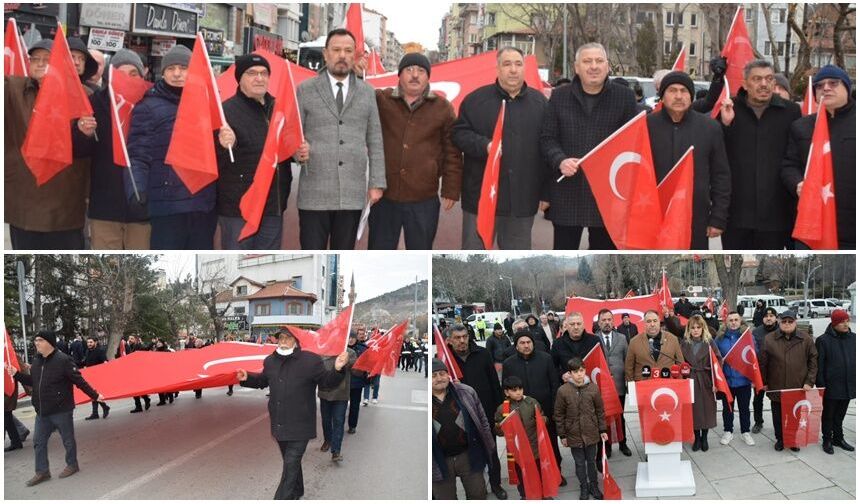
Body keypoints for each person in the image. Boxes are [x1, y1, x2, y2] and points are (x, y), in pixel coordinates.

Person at [294, 28, 386, 250]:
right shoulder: (305, 90)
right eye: (336, 50)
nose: (342, 55)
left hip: (351, 194)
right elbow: (293, 134)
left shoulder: (367, 92)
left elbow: (375, 140)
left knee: (343, 254)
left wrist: (377, 183)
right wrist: (298, 153)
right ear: (325, 54)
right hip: (314, 192)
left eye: (348, 50)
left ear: (355, 55)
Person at [541, 42, 637, 250]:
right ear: (576, 67)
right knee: (564, 252)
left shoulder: (625, 97)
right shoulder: (560, 96)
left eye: (599, 61)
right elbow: (547, 138)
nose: (594, 66)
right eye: (587, 61)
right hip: (568, 190)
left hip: (607, 192)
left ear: (607, 66)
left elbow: (633, 144)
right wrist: (560, 160)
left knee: (604, 256)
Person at [452, 46, 548, 250]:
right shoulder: (475, 100)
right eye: (507, 64)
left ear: (524, 68)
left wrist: (546, 193)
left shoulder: (540, 103)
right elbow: (459, 134)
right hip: (480, 197)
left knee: (516, 258)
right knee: (473, 256)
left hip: (521, 200)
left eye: (518, 64)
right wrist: (484, 145)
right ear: (497, 68)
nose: (513, 70)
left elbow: (548, 147)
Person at [236, 329, 348, 499]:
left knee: (290, 464)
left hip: (301, 424)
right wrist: (247, 378)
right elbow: (262, 381)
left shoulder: (310, 360)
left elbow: (326, 382)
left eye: (288, 338)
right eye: (280, 338)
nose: (283, 341)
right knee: (291, 463)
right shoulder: (270, 361)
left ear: (296, 341)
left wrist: (337, 369)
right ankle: (298, 490)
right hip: (279, 424)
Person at [125, 44, 218, 249]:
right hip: (167, 205)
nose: (177, 74)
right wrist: (136, 190)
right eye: (171, 68)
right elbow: (138, 155)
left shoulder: (209, 104)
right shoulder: (147, 107)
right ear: (163, 72)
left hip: (203, 202)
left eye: (183, 68)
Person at [5, 39, 90, 249]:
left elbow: (88, 149)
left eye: (47, 59)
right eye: (36, 59)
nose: (41, 63)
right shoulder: (13, 89)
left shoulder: (82, 95)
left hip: (65, 202)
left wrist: (85, 133)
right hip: (24, 200)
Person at [371, 52, 461, 249]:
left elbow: (452, 152)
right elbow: (356, 94)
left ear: (428, 77)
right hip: (385, 195)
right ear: (399, 75)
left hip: (424, 198)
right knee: (379, 249)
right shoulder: (382, 100)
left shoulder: (442, 107)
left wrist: (451, 188)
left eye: (421, 71)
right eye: (409, 70)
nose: (414, 75)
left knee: (421, 250)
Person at [718, 60, 801, 249]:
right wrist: (725, 125)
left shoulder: (791, 111)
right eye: (757, 79)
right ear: (745, 84)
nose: (764, 84)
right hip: (737, 214)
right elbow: (718, 153)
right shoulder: (729, 109)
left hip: (777, 215)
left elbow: (796, 157)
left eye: (769, 79)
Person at [73, 49, 151, 249]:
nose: (127, 79)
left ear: (143, 76)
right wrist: (83, 133)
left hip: (142, 206)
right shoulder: (94, 103)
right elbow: (79, 152)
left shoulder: (151, 104)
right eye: (121, 74)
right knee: (107, 262)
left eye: (133, 74)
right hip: (105, 206)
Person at [646, 70, 731, 249]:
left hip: (696, 217)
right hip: (654, 214)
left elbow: (721, 176)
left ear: (691, 96)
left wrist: (718, 217)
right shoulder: (646, 126)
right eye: (672, 90)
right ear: (662, 96)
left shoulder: (710, 127)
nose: (678, 96)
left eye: (684, 91)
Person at [7, 331, 104, 486]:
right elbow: (33, 381)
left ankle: (72, 464)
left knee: (67, 440)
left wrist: (95, 395)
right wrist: (16, 374)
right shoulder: (37, 361)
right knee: (38, 442)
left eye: (40, 340)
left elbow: (79, 381)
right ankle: (42, 472)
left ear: (49, 342)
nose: (36, 343)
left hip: (61, 410)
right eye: (36, 340)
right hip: (42, 411)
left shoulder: (64, 360)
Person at [215, 53, 291, 250]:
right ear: (239, 78)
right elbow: (212, 160)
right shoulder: (225, 112)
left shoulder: (279, 108)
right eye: (252, 73)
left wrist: (298, 151)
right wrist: (224, 145)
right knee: (237, 258)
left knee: (269, 259)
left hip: (273, 205)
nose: (259, 78)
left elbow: (286, 149)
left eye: (264, 73)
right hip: (239, 208)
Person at [782, 64, 855, 250]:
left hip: (851, 226)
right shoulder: (801, 126)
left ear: (847, 88)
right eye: (820, 85)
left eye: (833, 83)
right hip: (812, 226)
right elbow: (789, 165)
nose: (826, 88)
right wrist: (797, 183)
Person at [445, 324, 508, 499]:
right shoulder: (446, 359)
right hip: (461, 415)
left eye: (464, 336)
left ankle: (496, 484)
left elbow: (495, 383)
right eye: (457, 338)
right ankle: (477, 487)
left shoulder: (483, 354)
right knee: (471, 453)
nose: (462, 340)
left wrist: (499, 412)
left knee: (491, 450)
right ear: (449, 340)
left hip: (485, 412)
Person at [503, 330, 564, 481]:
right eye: (522, 343)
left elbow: (554, 384)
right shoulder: (509, 363)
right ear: (516, 346)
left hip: (545, 411)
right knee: (528, 446)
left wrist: (554, 408)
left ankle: (556, 473)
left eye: (528, 342)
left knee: (551, 444)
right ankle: (533, 476)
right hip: (521, 413)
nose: (526, 346)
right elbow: (506, 389)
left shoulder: (546, 358)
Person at [431, 359, 494, 500]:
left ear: (448, 374)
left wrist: (489, 446)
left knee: (478, 494)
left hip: (469, 455)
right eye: (433, 376)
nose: (439, 378)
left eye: (442, 374)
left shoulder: (465, 392)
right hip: (439, 460)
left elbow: (483, 421)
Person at [760, 310, 818, 452]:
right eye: (784, 321)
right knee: (778, 416)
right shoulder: (769, 339)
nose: (787, 324)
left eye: (790, 321)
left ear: (795, 322)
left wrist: (809, 381)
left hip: (797, 386)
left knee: (794, 415)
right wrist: (764, 382)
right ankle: (780, 439)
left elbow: (813, 361)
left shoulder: (806, 339)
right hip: (777, 385)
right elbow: (763, 363)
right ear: (779, 322)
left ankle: (792, 440)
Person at [554, 357, 607, 500]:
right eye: (575, 372)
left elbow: (600, 410)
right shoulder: (563, 391)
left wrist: (602, 429)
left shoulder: (593, 388)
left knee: (591, 461)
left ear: (585, 371)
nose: (579, 374)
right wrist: (562, 435)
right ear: (570, 373)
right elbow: (559, 414)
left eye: (581, 371)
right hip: (573, 434)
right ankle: (583, 486)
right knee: (579, 463)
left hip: (591, 431)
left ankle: (594, 485)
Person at [493, 375, 548, 500]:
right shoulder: (502, 409)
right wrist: (498, 427)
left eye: (520, 389)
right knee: (522, 475)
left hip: (534, 446)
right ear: (506, 392)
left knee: (538, 471)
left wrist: (543, 420)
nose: (518, 392)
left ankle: (542, 494)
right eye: (514, 390)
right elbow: (499, 432)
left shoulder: (532, 402)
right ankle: (524, 495)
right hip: (518, 450)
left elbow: (543, 417)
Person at [815, 309, 855, 454]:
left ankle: (838, 438)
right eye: (841, 322)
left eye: (847, 321)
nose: (845, 324)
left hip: (848, 384)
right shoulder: (823, 340)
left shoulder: (854, 338)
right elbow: (819, 365)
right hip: (831, 386)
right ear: (834, 323)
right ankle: (827, 439)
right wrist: (821, 386)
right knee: (828, 415)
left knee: (840, 414)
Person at [713, 311, 755, 446]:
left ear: (740, 321)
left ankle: (745, 431)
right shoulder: (720, 339)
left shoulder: (747, 336)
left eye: (736, 320)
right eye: (730, 320)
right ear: (726, 322)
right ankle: (728, 431)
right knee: (727, 408)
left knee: (744, 408)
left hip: (743, 380)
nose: (733, 323)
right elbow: (714, 357)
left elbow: (754, 354)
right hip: (727, 381)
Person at [594, 308, 631, 458]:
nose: (607, 322)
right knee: (604, 417)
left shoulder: (621, 338)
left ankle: (623, 443)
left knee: (620, 416)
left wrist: (628, 381)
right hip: (601, 386)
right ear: (599, 322)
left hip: (618, 384)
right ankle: (607, 446)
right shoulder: (593, 339)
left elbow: (627, 359)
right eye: (603, 320)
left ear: (613, 321)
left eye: (609, 319)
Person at [680, 314, 720, 452]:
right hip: (690, 380)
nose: (696, 330)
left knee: (706, 409)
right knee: (694, 410)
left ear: (703, 328)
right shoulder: (684, 344)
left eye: (698, 327)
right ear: (689, 329)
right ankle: (697, 437)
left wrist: (716, 382)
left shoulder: (709, 343)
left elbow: (718, 361)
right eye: (693, 328)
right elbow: (679, 362)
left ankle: (705, 437)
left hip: (706, 379)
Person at [318, 334, 357, 461]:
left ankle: (336, 450)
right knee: (326, 420)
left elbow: (355, 370)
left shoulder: (350, 352)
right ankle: (327, 440)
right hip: (325, 392)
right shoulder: (323, 351)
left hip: (341, 394)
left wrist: (347, 361)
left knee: (339, 421)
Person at [624, 310, 684, 382]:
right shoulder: (634, 342)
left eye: (655, 321)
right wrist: (632, 386)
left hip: (668, 385)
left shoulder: (673, 339)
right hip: (643, 386)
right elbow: (628, 368)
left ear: (659, 322)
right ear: (644, 323)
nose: (652, 324)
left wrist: (680, 383)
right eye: (649, 321)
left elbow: (680, 363)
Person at [751, 307, 778, 433]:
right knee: (757, 400)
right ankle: (758, 422)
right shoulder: (756, 332)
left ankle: (779, 423)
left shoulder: (781, 331)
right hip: (760, 372)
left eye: (771, 316)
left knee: (777, 400)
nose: (768, 318)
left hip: (776, 372)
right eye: (766, 316)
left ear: (776, 318)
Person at [550, 312, 600, 379]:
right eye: (572, 324)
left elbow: (602, 364)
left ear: (583, 325)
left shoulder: (595, 341)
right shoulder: (557, 344)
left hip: (591, 382)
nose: (576, 327)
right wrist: (562, 375)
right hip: (568, 384)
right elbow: (553, 367)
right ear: (567, 326)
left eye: (578, 324)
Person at [5, 351, 30, 452]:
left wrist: (30, 389)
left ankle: (16, 440)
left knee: (5, 416)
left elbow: (22, 370)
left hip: (8, 390)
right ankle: (17, 439)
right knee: (7, 417)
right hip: (5, 390)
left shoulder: (9, 353)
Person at [81, 337, 110, 420]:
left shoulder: (100, 351)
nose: (89, 344)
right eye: (88, 342)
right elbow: (86, 362)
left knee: (94, 394)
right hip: (90, 376)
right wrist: (84, 366)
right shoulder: (87, 351)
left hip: (98, 376)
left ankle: (98, 411)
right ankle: (99, 410)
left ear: (95, 342)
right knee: (93, 394)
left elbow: (105, 362)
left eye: (91, 342)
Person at [347, 330, 368, 432]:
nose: (350, 340)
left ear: (356, 338)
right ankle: (339, 424)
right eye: (349, 338)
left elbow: (367, 364)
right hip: (343, 382)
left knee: (354, 405)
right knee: (341, 406)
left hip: (356, 382)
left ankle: (352, 425)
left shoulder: (363, 349)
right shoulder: (342, 347)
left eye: (353, 338)